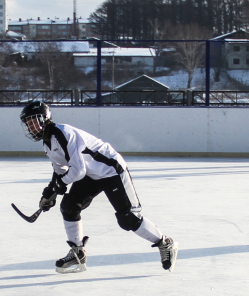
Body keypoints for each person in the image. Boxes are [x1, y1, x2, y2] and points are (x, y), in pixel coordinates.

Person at [18, 100, 177, 274]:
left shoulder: (64, 133)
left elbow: (77, 171)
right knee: (69, 206)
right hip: (92, 174)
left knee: (127, 218)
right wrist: (50, 192)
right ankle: (78, 253)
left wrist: (60, 185)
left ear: (45, 118)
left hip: (111, 171)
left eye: (33, 121)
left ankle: (165, 242)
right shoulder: (48, 143)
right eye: (28, 123)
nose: (31, 126)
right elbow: (60, 170)